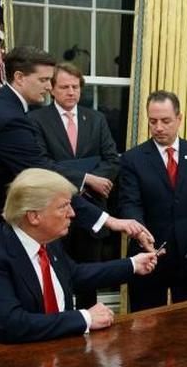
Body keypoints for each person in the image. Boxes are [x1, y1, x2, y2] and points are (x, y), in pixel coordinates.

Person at [0, 46, 152, 248]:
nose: (49, 87)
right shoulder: (9, 118)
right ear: (19, 77)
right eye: (43, 80)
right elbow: (42, 177)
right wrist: (108, 220)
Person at [0, 168, 159, 349]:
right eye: (63, 206)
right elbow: (12, 324)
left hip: (54, 350)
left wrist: (132, 265)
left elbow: (75, 275)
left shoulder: (47, 240)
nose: (72, 213)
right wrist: (84, 318)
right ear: (33, 216)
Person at [118, 90, 187, 311]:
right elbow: (129, 204)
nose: (158, 127)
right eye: (153, 121)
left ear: (179, 119)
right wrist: (140, 232)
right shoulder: (132, 159)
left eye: (165, 121)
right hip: (149, 255)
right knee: (146, 329)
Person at [28, 62, 121, 309]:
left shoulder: (96, 119)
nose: (71, 92)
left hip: (92, 211)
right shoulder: (36, 120)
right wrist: (85, 180)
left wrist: (96, 182)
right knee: (59, 279)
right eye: (65, 87)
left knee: (90, 278)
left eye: (75, 86)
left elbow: (112, 159)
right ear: (52, 90)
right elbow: (42, 164)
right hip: (53, 212)